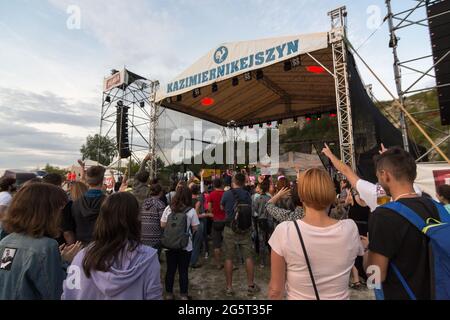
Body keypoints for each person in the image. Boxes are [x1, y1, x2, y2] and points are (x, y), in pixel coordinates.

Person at [268, 168, 364, 300]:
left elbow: (275, 291)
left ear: (301, 196)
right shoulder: (350, 228)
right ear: (331, 195)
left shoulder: (284, 231)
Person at [362, 147, 443, 300]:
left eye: (378, 176)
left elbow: (375, 277)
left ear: (385, 175)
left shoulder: (384, 215)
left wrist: (368, 250)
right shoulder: (436, 207)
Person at [62, 192, 162, 300]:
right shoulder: (148, 258)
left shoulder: (81, 257)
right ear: (136, 219)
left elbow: (68, 295)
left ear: (102, 219)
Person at [0, 183, 82, 300]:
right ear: (48, 212)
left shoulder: (6, 242)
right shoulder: (47, 246)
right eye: (59, 209)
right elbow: (55, 292)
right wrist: (66, 262)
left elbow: (9, 281)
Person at [321, 143, 421, 212]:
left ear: (385, 175)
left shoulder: (376, 195)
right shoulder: (420, 193)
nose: (379, 180)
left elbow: (346, 171)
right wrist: (389, 159)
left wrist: (330, 155)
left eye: (378, 176)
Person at [220, 173, 259, 296]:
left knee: (228, 258)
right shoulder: (247, 194)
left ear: (234, 181)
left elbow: (222, 207)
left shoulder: (227, 194)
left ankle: (229, 287)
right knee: (248, 257)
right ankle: (251, 285)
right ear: (243, 182)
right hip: (245, 228)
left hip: (230, 228)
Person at [161, 184, 200, 300]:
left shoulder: (169, 208)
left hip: (169, 244)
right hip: (185, 245)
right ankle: (183, 295)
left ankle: (168, 294)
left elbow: (162, 224)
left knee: (170, 270)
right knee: (183, 271)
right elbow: (196, 228)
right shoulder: (191, 210)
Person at [68, 166, 106, 244]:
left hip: (81, 246)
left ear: (87, 181)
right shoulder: (110, 202)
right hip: (103, 246)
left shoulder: (75, 203)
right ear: (102, 180)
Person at [43, 173, 76, 245]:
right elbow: (67, 231)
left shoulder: (36, 202)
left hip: (39, 243)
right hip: (59, 245)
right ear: (59, 185)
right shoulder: (63, 203)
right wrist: (73, 248)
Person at [189, 184, 212, 268]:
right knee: (196, 244)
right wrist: (207, 214)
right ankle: (193, 261)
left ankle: (189, 260)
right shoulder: (198, 201)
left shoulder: (187, 200)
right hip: (197, 223)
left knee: (190, 243)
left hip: (188, 223)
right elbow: (196, 215)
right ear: (197, 191)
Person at [252, 180, 272, 268]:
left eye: (259, 188)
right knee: (271, 241)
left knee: (262, 241)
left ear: (261, 189)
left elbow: (254, 209)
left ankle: (262, 262)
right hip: (270, 221)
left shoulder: (258, 198)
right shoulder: (270, 198)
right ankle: (272, 260)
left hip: (261, 220)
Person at [141, 183, 166, 252]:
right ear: (160, 192)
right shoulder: (160, 204)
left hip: (143, 236)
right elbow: (162, 222)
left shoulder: (144, 203)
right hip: (155, 238)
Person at [208, 178, 226, 269]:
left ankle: (218, 263)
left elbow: (209, 208)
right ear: (222, 184)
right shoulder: (226, 194)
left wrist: (213, 212)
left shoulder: (211, 194)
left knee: (216, 243)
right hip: (225, 221)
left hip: (215, 221)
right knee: (227, 243)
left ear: (214, 185)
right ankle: (228, 263)